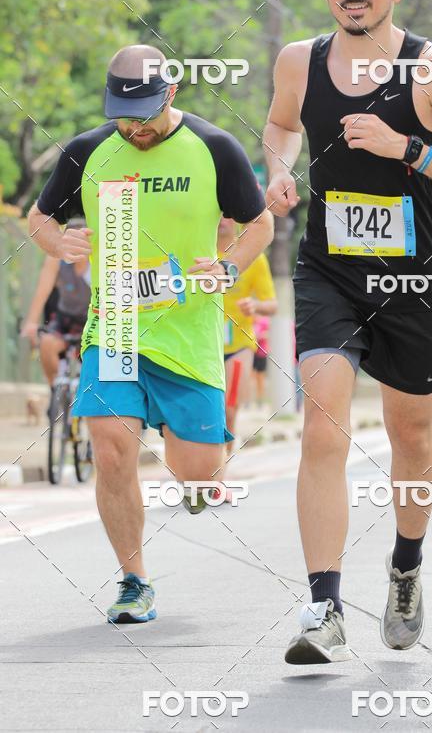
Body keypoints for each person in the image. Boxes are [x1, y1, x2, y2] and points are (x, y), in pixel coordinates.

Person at [264, 0, 432, 663]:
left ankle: (405, 567)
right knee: (322, 431)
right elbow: (279, 124)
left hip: (413, 280)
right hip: (329, 271)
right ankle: (323, 606)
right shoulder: (300, 61)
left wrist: (408, 149)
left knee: (412, 438)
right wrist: (277, 169)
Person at [28, 44, 272, 624]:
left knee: (199, 474)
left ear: (172, 93)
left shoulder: (214, 148)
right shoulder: (88, 151)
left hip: (187, 334)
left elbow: (259, 221)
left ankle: (197, 464)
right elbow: (41, 217)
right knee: (112, 449)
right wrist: (56, 242)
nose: (132, 126)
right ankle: (134, 580)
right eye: (121, 113)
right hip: (112, 328)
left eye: (143, 111)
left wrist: (229, 264)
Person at [219, 215, 277, 450]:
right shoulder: (196, 249)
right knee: (203, 413)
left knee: (229, 411)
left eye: (228, 215)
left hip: (238, 346)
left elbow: (271, 304)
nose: (223, 220)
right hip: (200, 344)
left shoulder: (252, 256)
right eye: (218, 214)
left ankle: (221, 471)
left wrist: (254, 306)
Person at [21, 218, 91, 386]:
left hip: (92, 320)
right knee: (46, 345)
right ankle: (56, 391)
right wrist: (31, 322)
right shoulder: (57, 259)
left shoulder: (97, 261)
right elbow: (43, 289)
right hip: (65, 318)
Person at [252, 315, 271, 406]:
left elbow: (270, 333)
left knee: (260, 378)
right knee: (251, 377)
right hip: (252, 352)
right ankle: (250, 400)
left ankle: (260, 400)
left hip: (261, 353)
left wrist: (261, 335)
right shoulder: (251, 320)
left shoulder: (265, 321)